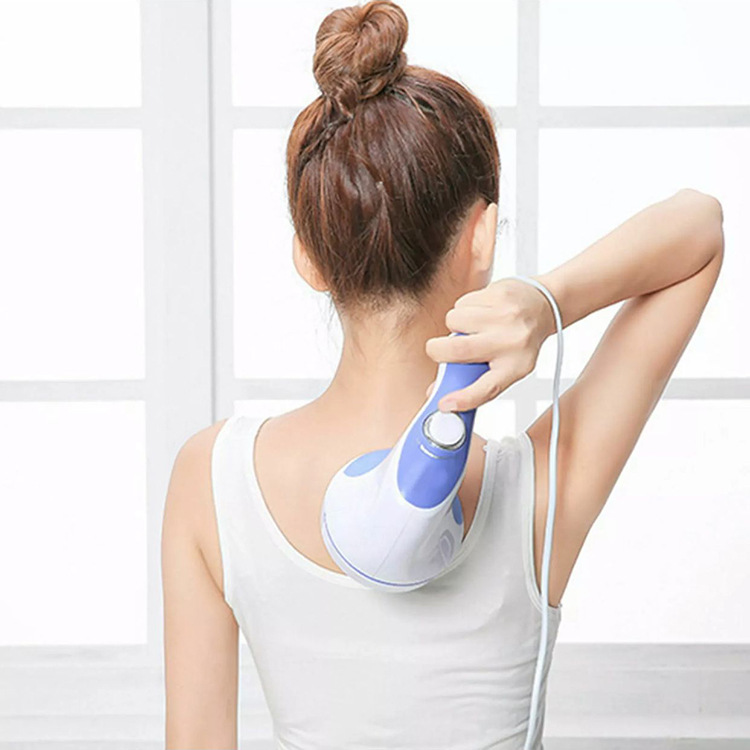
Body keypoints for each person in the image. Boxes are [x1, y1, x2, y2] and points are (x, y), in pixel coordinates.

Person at [161, 2, 725, 748]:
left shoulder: (211, 478)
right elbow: (700, 228)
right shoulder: (539, 491)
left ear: (309, 255)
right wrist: (547, 302)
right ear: (482, 238)